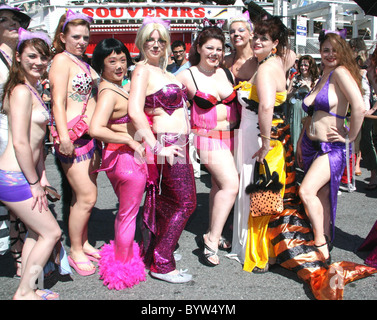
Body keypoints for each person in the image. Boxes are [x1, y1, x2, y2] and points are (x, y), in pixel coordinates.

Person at [128, 17, 196, 283]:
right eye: (150, 40)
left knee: (168, 202)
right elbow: (135, 111)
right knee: (187, 202)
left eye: (161, 40)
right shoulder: (142, 70)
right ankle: (162, 263)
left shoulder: (168, 73)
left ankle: (157, 253)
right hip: (166, 142)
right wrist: (157, 147)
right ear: (141, 43)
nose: (155, 45)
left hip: (180, 142)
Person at [227, 16, 295, 269]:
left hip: (261, 136)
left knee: (260, 191)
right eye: (256, 36)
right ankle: (269, 248)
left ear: (275, 43)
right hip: (263, 135)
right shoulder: (278, 61)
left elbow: (266, 106)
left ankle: (261, 252)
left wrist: (265, 143)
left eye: (263, 39)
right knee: (266, 191)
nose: (256, 41)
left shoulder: (266, 68)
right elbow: (291, 53)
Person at [0, 28, 61, 300]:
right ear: (18, 57)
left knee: (37, 233)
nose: (38, 62)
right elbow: (21, 143)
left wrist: (42, 177)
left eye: (43, 57)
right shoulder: (21, 91)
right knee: (52, 232)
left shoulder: (32, 89)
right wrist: (35, 184)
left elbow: (37, 145)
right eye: (32, 56)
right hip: (14, 177)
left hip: (24, 175)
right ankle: (24, 292)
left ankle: (30, 288)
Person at [297, 30, 364, 264]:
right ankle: (325, 236)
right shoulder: (322, 75)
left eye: (335, 50)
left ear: (342, 52)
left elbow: (359, 106)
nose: (329, 54)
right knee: (322, 195)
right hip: (311, 146)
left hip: (332, 148)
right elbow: (311, 115)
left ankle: (320, 243)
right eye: (325, 50)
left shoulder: (341, 73)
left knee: (306, 192)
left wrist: (350, 138)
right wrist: (299, 142)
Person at [177, 24, 239, 267]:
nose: (214, 53)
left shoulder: (226, 73)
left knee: (217, 186)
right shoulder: (186, 75)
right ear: (199, 49)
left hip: (233, 137)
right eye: (209, 48)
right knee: (230, 185)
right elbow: (162, 98)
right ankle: (211, 240)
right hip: (207, 138)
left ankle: (216, 231)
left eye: (219, 49)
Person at [89, 38, 146, 289]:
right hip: (124, 159)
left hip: (118, 159)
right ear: (101, 64)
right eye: (112, 61)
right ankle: (122, 270)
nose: (119, 65)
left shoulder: (114, 86)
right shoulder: (109, 92)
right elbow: (95, 128)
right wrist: (129, 140)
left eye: (123, 59)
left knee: (125, 214)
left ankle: (122, 260)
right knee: (128, 216)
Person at [49, 9, 101, 276]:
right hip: (74, 137)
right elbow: (57, 101)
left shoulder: (83, 62)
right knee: (87, 197)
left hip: (90, 138)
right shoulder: (61, 60)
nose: (82, 41)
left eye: (86, 37)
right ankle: (76, 251)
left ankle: (84, 242)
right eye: (76, 36)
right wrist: (64, 137)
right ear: (63, 37)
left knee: (85, 197)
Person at [0, 4, 31, 278]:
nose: (11, 23)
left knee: (18, 208)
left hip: (19, 140)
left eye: (15, 19)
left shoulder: (15, 58)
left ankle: (19, 255)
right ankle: (16, 256)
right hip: (4, 140)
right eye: (4, 20)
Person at [287, 55, 319, 156]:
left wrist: (308, 88)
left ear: (311, 66)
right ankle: (296, 159)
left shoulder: (316, 80)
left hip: (309, 111)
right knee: (295, 133)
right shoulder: (296, 78)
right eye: (301, 65)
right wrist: (295, 90)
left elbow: (318, 97)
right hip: (296, 109)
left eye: (306, 65)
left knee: (308, 134)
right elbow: (287, 96)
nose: (303, 67)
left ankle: (307, 158)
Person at [224, 11, 255, 84]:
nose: (236, 34)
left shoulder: (259, 60)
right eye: (232, 32)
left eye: (241, 30)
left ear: (251, 34)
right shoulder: (226, 61)